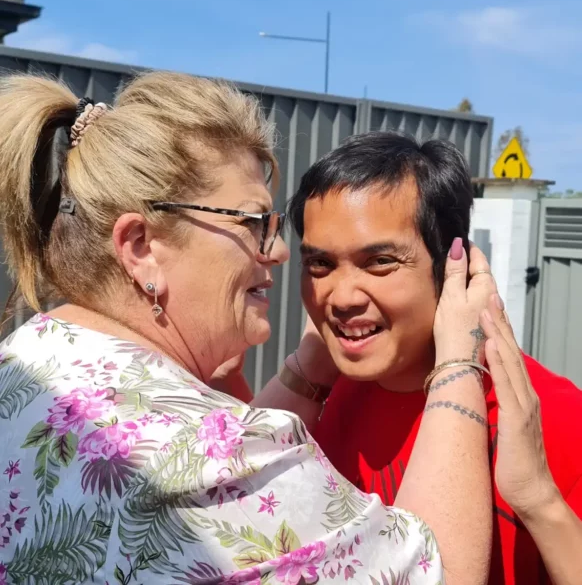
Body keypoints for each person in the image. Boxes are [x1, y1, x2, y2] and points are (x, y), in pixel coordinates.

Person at [0, 72, 496, 584]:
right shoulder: (209, 456)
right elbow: (442, 572)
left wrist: (308, 368)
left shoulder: (22, 367)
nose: (278, 252)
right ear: (141, 247)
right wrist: (460, 360)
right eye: (252, 223)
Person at [280, 131, 582, 585]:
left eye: (379, 261)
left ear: (449, 263)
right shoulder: (323, 398)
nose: (339, 297)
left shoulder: (548, 413)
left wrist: (540, 501)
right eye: (319, 265)